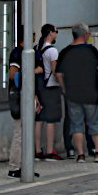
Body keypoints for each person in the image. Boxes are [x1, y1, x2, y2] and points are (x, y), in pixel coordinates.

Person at [55, 25, 98, 162]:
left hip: (72, 93)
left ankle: (80, 155)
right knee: (95, 124)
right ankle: (97, 153)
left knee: (76, 125)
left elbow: (58, 73)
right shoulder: (91, 50)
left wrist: (64, 88)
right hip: (91, 93)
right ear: (85, 35)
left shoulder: (65, 52)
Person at [7, 38, 44, 179]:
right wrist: (31, 71)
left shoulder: (29, 53)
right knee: (19, 134)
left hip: (28, 96)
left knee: (27, 132)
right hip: (18, 98)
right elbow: (13, 75)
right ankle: (14, 166)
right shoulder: (17, 54)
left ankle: (25, 165)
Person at [37, 25, 63, 161]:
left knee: (39, 118)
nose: (56, 35)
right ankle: (49, 151)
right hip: (51, 87)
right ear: (51, 33)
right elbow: (55, 70)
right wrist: (63, 85)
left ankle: (36, 150)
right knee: (51, 119)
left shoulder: (38, 48)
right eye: (56, 32)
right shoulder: (52, 51)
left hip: (40, 87)